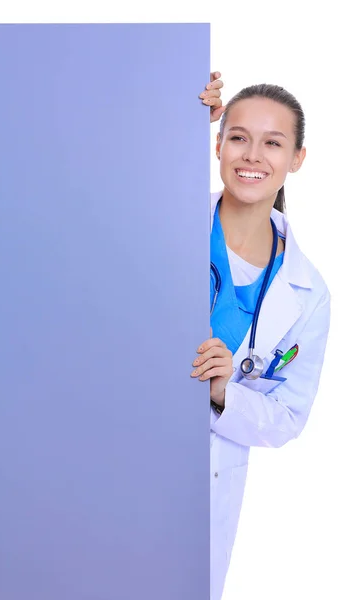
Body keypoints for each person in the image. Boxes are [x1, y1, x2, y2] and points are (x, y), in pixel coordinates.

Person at [192, 72, 331, 600]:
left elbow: (289, 418)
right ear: (218, 144)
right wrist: (169, 127)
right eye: (238, 137)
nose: (252, 155)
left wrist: (226, 393)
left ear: (297, 158)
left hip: (202, 484)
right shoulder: (162, 217)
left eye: (273, 142)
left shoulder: (308, 292)